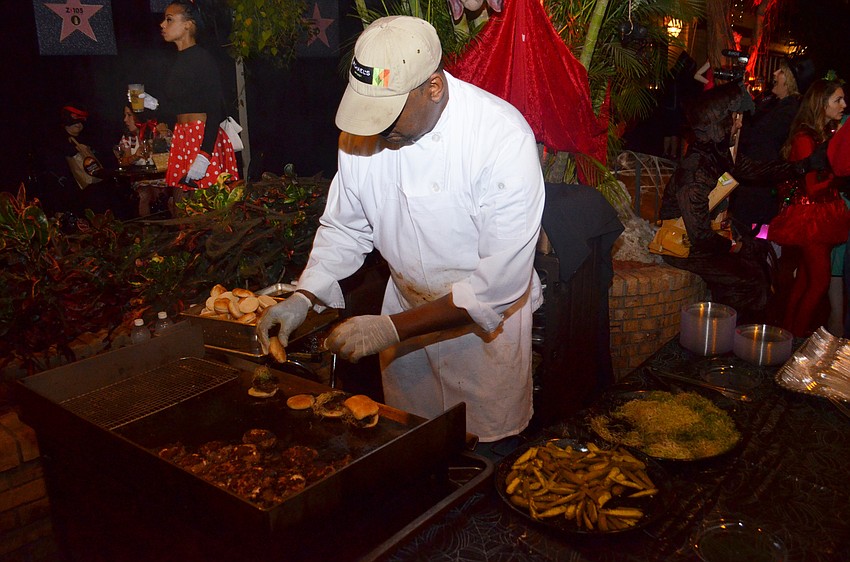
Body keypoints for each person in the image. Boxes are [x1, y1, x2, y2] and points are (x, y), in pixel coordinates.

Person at [257, 16, 545, 446]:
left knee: (483, 453)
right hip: (405, 311)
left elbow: (496, 286)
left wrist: (391, 330)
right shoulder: (361, 137)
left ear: (434, 87)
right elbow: (344, 228)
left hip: (483, 334)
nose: (375, 128)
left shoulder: (501, 138)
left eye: (387, 113)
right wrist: (305, 297)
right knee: (410, 445)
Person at [658, 82, 819, 325]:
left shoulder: (715, 155)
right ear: (721, 121)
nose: (740, 123)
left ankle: (735, 334)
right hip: (682, 247)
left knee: (758, 262)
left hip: (701, 241)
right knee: (748, 278)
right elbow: (700, 236)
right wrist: (737, 246)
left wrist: (803, 166)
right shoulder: (696, 169)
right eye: (736, 118)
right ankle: (723, 338)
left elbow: (757, 170)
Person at [768, 79, 850, 337]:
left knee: (805, 280)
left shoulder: (821, 134)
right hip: (811, 218)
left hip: (820, 215)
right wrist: (838, 175)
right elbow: (812, 188)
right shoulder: (805, 138)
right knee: (819, 282)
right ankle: (796, 339)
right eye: (838, 100)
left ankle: (788, 335)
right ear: (821, 103)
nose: (844, 105)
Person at [138, 0, 239, 210]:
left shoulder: (202, 58)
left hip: (202, 137)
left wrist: (204, 155)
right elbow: (181, 107)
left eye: (169, 19)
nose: (162, 25)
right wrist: (154, 104)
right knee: (180, 203)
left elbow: (214, 108)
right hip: (183, 136)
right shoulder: (177, 60)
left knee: (207, 207)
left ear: (188, 24)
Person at [732, 58, 814, 236]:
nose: (775, 74)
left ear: (790, 81)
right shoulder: (774, 102)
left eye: (781, 72)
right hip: (753, 179)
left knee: (750, 235)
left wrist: (742, 118)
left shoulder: (790, 110)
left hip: (761, 184)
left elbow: (757, 136)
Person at [115, 105, 170, 217]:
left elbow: (170, 155)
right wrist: (135, 156)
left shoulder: (157, 132)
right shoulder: (128, 138)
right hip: (141, 179)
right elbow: (123, 162)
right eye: (125, 115)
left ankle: (175, 228)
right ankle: (147, 229)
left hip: (162, 178)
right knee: (144, 195)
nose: (125, 119)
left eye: (129, 115)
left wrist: (164, 138)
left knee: (166, 195)